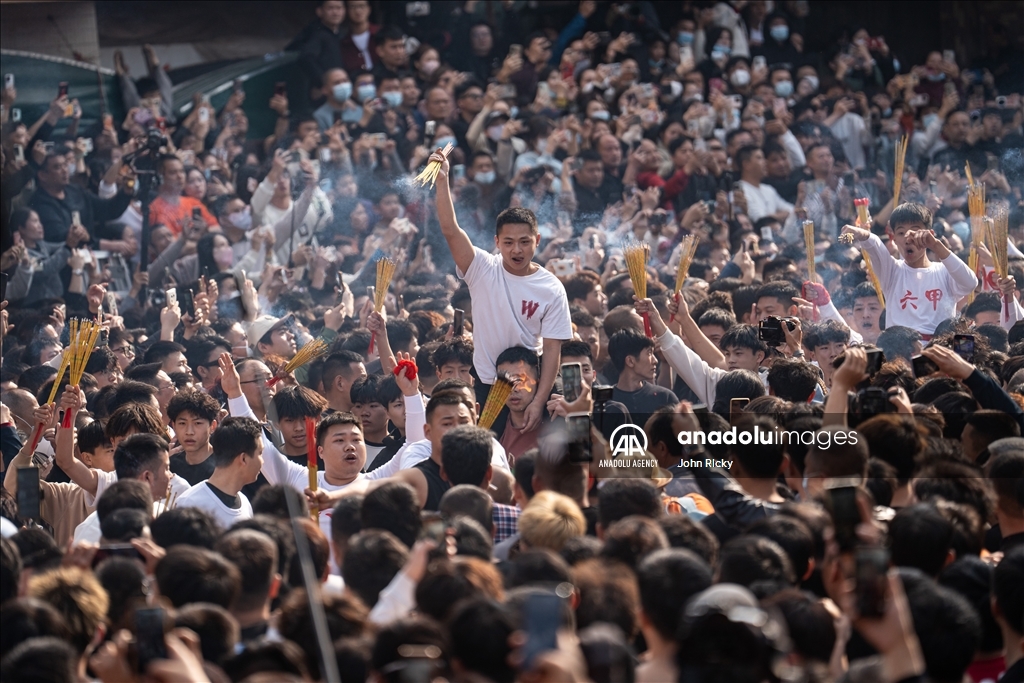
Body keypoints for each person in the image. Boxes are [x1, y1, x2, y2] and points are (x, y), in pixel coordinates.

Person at [432, 147, 572, 433]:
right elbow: (450, 229)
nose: (516, 250)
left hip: (531, 380)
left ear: (538, 240)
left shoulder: (552, 288)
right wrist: (442, 181)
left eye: (524, 241)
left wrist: (539, 401)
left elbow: (553, 351)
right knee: (486, 449)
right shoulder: (482, 268)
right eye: (508, 242)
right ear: (497, 241)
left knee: (557, 444)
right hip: (487, 382)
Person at [842, 203, 978, 337]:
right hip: (900, 353)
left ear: (929, 234)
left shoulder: (944, 272)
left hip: (939, 352)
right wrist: (860, 233)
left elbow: (970, 283)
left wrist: (937, 245)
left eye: (915, 231)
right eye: (901, 233)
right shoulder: (892, 271)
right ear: (894, 238)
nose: (908, 238)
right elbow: (875, 246)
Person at [175, 416, 264, 529]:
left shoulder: (245, 503)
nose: (263, 461)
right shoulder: (190, 503)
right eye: (260, 453)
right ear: (243, 458)